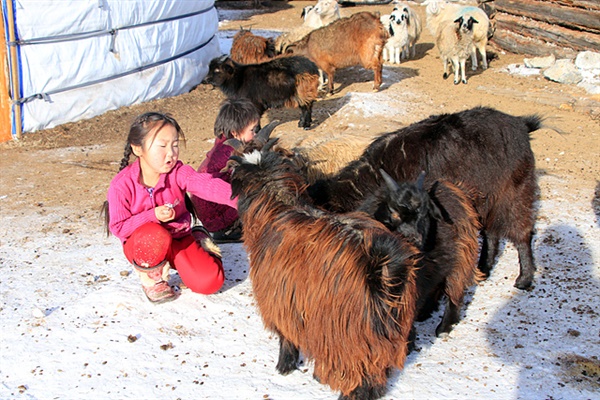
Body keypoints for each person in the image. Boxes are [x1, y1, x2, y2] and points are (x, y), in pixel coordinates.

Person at [105, 112, 238, 303]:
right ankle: (153, 281)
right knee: (153, 234)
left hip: (178, 238)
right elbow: (118, 228)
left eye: (175, 145)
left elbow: (204, 184)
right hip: (144, 245)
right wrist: (152, 216)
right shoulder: (122, 185)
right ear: (137, 148)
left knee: (209, 283)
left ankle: (202, 246)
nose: (171, 153)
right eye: (162, 146)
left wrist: (240, 198)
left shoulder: (178, 173)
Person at [190, 98, 260, 243]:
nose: (255, 135)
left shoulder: (223, 145)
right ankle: (228, 230)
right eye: (252, 130)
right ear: (235, 133)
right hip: (216, 218)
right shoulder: (233, 153)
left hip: (207, 214)